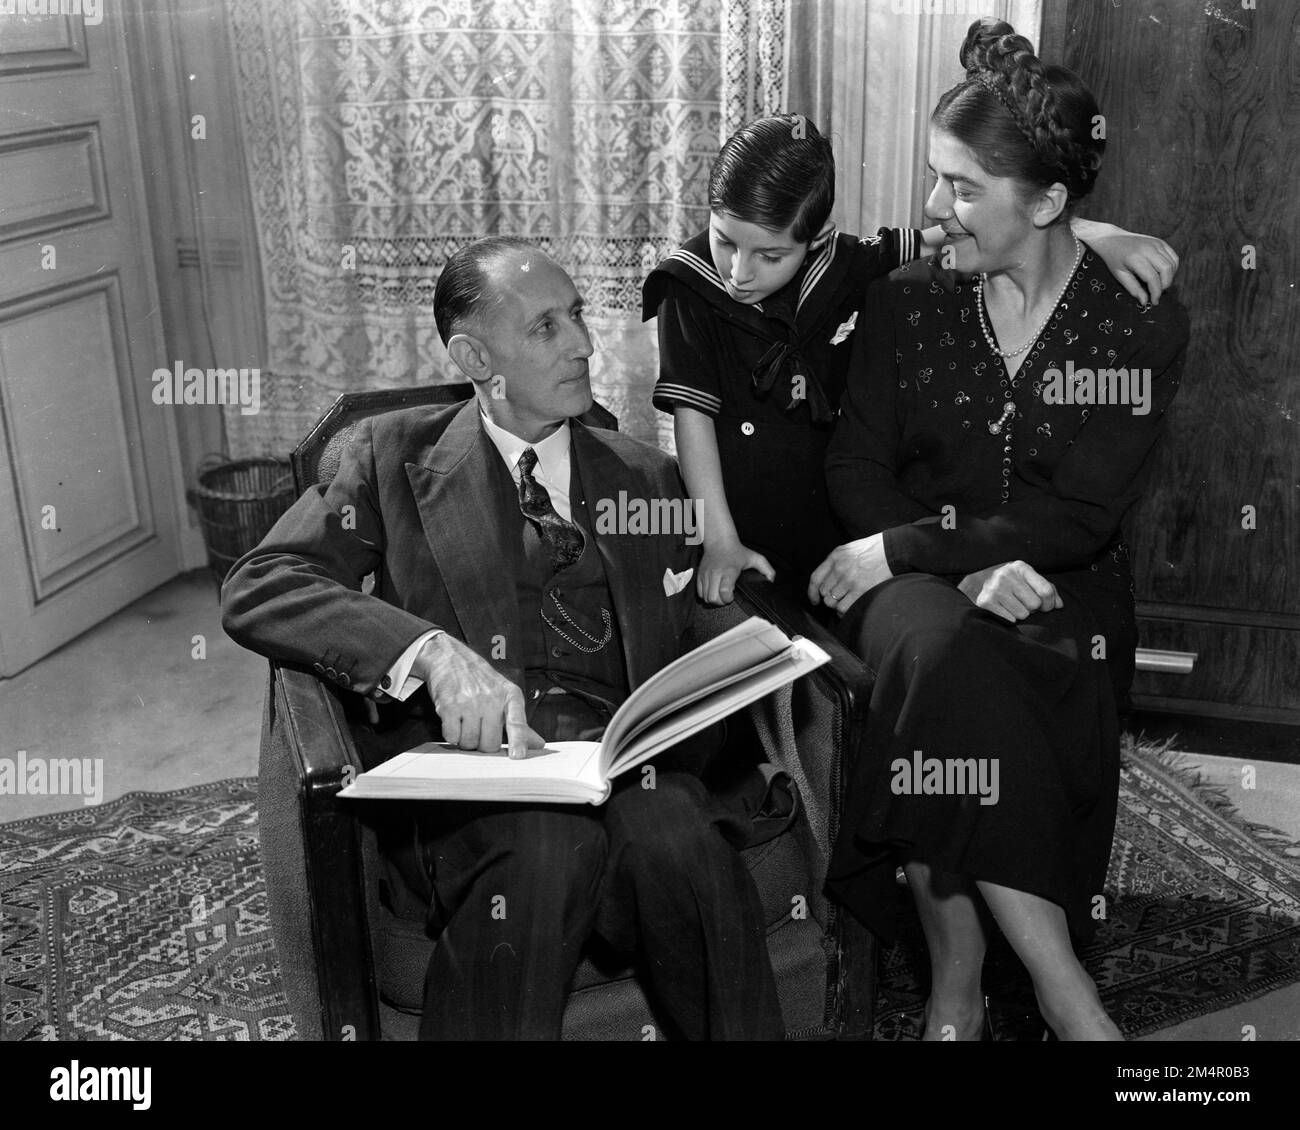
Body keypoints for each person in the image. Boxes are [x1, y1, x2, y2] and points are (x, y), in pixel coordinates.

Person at [222, 236, 783, 1041]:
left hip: (620, 769)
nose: (585, 344)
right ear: (474, 355)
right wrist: (431, 656)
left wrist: (732, 656)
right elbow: (262, 582)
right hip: (476, 785)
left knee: (679, 835)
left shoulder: (645, 477)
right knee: (547, 845)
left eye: (579, 316)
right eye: (547, 328)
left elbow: (689, 625)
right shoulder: (393, 460)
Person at [808, 19, 1190, 1040]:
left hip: (1067, 588)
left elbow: (1079, 512)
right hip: (915, 586)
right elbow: (854, 465)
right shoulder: (907, 304)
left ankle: (957, 986)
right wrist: (947, 564)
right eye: (936, 178)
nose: (933, 209)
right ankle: (1054, 992)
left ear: (1049, 201)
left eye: (963, 187)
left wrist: (921, 551)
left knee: (969, 687)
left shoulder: (1135, 320)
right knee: (936, 652)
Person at [644, 114, 1180, 605]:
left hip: (836, 526)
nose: (738, 273)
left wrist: (1096, 234)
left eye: (770, 255)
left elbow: (977, 235)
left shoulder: (849, 262)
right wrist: (719, 542)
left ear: (817, 241)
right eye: (724, 241)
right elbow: (693, 420)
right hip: (739, 528)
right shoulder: (686, 287)